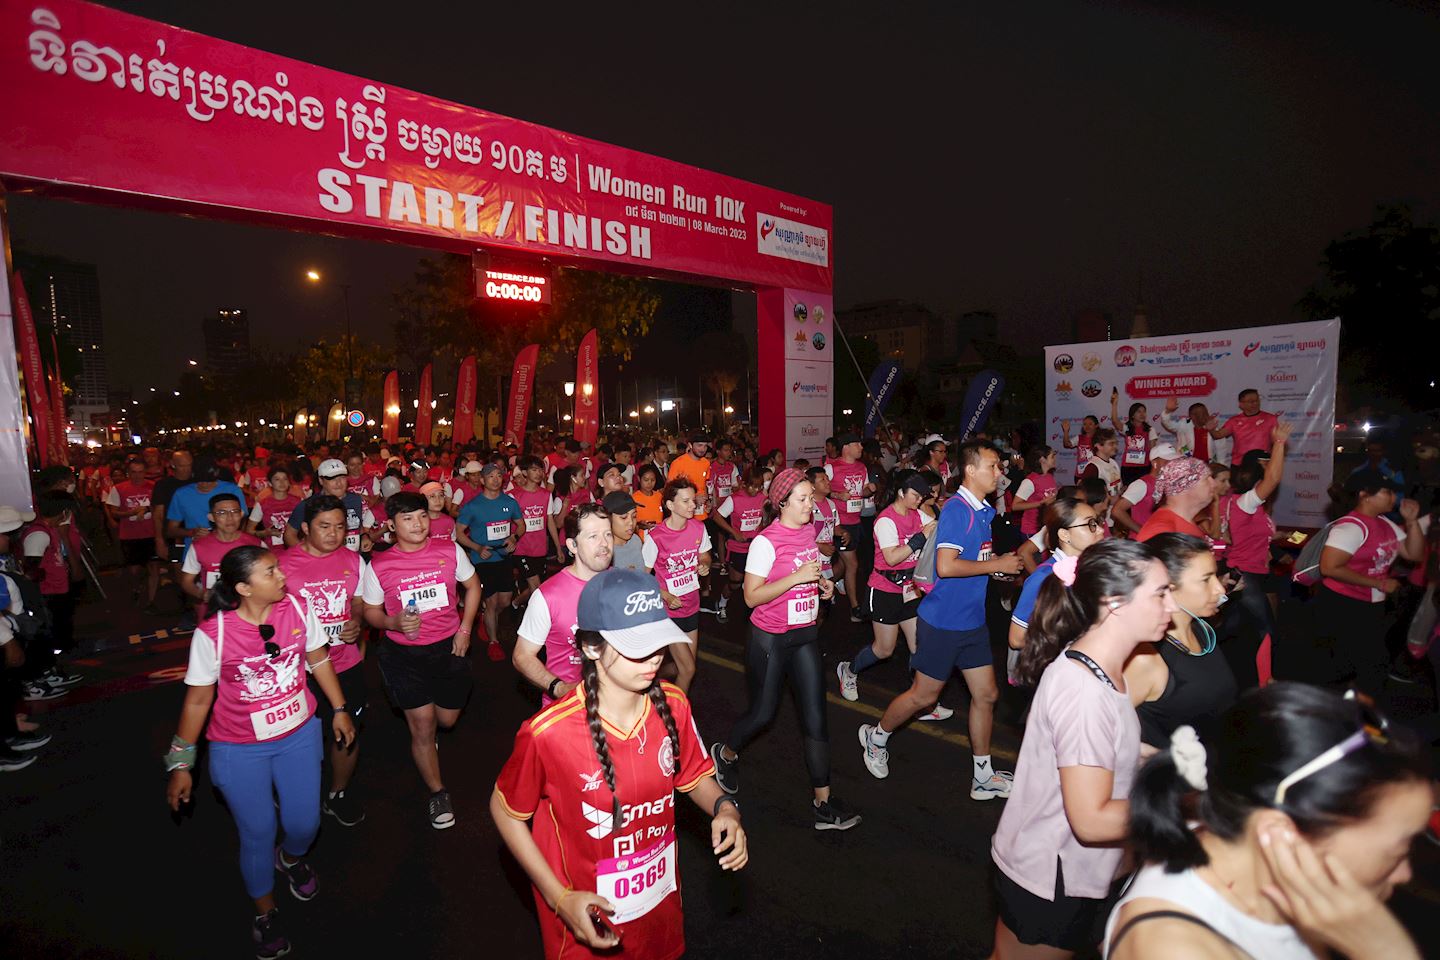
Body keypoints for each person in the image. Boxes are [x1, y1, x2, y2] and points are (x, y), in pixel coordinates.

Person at [491, 567, 746, 959]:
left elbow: (693, 777)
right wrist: (560, 899)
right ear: (591, 647)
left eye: (658, 641)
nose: (655, 658)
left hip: (658, 908)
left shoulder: (674, 705)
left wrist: (724, 809)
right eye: (635, 645)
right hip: (585, 921)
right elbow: (506, 811)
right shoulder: (549, 733)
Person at [1106, 684, 1431, 960]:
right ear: (1281, 834)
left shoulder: (1227, 840)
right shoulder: (1175, 949)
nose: (1405, 874)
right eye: (1398, 850)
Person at [165, 545, 356, 960]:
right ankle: (265, 913)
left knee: (304, 823)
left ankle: (290, 858)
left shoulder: (299, 609)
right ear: (243, 588)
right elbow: (197, 702)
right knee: (258, 832)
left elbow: (319, 660)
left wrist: (339, 709)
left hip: (299, 734)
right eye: (270, 572)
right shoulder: (211, 635)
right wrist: (181, 764)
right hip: (238, 748)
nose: (281, 576)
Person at [990, 540, 1175, 959]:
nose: (1172, 607)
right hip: (1050, 878)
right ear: (1114, 603)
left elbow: (1098, 748)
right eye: (1161, 593)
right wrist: (1187, 805)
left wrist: (1157, 760)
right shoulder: (1085, 690)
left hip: (1069, 871)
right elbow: (1091, 820)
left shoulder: (1104, 669)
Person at [858, 445, 1026, 797]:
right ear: (971, 470)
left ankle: (983, 776)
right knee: (923, 697)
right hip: (944, 623)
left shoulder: (981, 512)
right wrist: (996, 565)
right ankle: (876, 737)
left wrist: (994, 563)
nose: (999, 473)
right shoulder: (957, 511)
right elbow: (946, 566)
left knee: (986, 694)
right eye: (993, 466)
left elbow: (971, 558)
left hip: (971, 623)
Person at [709, 469, 859, 830]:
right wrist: (796, 578)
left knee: (816, 716)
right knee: (763, 712)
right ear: (782, 503)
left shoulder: (808, 531)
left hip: (805, 634)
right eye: (804, 499)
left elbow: (810, 571)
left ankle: (823, 804)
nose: (811, 505)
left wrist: (822, 584)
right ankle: (726, 753)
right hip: (771, 639)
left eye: (811, 497)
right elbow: (750, 596)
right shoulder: (765, 542)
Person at [361, 492, 480, 829]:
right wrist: (391, 622)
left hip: (449, 649)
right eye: (408, 518)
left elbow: (472, 587)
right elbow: (370, 610)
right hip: (403, 656)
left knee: (447, 719)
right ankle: (437, 791)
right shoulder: (380, 564)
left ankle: (430, 738)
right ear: (391, 525)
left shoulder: (449, 550)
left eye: (422, 516)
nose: (418, 524)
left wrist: (466, 629)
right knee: (423, 725)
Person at [277, 495, 367, 827]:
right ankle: (296, 795)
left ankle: (337, 793)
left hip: (346, 663)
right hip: (297, 672)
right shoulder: (282, 565)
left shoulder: (355, 560)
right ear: (304, 528)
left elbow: (358, 600)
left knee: (348, 732)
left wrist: (356, 621)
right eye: (324, 526)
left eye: (340, 526)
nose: (334, 534)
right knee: (299, 741)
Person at [837, 473, 943, 715]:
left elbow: (939, 530)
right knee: (885, 649)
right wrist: (920, 537)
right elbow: (892, 557)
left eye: (922, 496)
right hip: (884, 590)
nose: (919, 500)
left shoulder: (919, 515)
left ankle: (923, 700)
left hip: (910, 590)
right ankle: (849, 670)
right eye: (915, 496)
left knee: (919, 647)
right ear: (901, 492)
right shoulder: (886, 520)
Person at [1314, 471, 1426, 694]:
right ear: (1365, 495)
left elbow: (1414, 554)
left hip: (1370, 603)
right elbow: (1329, 567)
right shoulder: (1352, 527)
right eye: (1387, 492)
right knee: (1346, 665)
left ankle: (1356, 710)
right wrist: (1379, 584)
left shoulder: (1384, 523)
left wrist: (1412, 522)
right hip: (1343, 603)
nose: (1394, 497)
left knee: (1368, 663)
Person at [1123, 533, 1238, 751]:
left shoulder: (1202, 630)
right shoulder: (1145, 659)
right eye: (1206, 580)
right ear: (1166, 587)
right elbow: (1101, 734)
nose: (1220, 590)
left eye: (1216, 577)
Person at [514, 504, 613, 705]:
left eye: (608, 534)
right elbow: (522, 656)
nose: (604, 544)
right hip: (567, 710)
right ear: (572, 546)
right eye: (593, 536)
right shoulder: (548, 596)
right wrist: (558, 687)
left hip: (616, 704)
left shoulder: (623, 584)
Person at [1007, 496, 1106, 668]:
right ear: (1064, 534)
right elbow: (1016, 638)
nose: (1100, 530)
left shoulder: (1091, 568)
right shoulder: (1044, 578)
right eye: (1090, 524)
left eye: (1097, 522)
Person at [1218, 423, 1293, 639]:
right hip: (1244, 572)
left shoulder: (1247, 506)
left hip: (1249, 571)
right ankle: (1268, 673)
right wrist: (1279, 443)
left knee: (1231, 625)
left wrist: (1277, 536)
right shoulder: (1245, 502)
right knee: (1266, 629)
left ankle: (1204, 657)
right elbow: (1273, 479)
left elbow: (1244, 534)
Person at [641, 477, 710, 693]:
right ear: (670, 505)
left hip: (691, 606)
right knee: (688, 669)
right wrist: (664, 594)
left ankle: (647, 680)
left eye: (693, 501)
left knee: (684, 666)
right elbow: (642, 578)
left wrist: (704, 565)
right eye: (687, 501)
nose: (693, 505)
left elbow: (705, 555)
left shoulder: (698, 528)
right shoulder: (656, 537)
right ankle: (677, 718)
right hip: (667, 612)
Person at [455, 462, 521, 662]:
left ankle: (486, 617)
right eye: (490, 476)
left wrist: (513, 538)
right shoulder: (473, 506)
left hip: (504, 557)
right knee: (492, 602)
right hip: (483, 559)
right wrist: (477, 548)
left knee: (505, 601)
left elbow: (521, 525)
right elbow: (459, 533)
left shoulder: (509, 502)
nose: (495, 479)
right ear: (482, 480)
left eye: (499, 476)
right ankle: (494, 641)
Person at [179, 493, 262, 622]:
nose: (230, 518)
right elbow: (186, 581)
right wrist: (202, 594)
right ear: (211, 517)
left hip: (249, 611)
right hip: (214, 612)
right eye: (222, 513)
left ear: (241, 514)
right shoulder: (199, 546)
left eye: (235, 512)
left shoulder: (256, 544)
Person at [709, 464, 768, 625]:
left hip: (757, 547)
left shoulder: (763, 497)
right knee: (735, 582)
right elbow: (717, 517)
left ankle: (755, 611)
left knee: (760, 581)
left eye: (759, 487)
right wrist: (733, 532)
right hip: (738, 548)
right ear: (744, 484)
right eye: (753, 487)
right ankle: (721, 603)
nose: (756, 490)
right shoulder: (734, 499)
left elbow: (767, 517)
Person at [826, 433, 872, 622]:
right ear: (846, 447)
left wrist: (870, 490)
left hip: (856, 521)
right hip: (839, 524)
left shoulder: (862, 467)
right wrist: (837, 496)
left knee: (843, 564)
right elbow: (816, 487)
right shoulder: (831, 467)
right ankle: (855, 608)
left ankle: (825, 584)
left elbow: (865, 489)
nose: (861, 447)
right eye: (857, 444)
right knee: (853, 564)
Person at [105, 458, 160, 614]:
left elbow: (159, 507)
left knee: (154, 567)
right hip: (130, 536)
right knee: (134, 571)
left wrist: (146, 509)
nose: (137, 476)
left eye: (141, 472)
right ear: (128, 473)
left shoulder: (153, 487)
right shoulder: (119, 488)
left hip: (151, 534)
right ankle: (137, 588)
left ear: (145, 472)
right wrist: (130, 513)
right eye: (134, 472)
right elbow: (114, 511)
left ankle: (151, 601)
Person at [283, 459, 371, 553]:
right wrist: (307, 555)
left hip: (352, 560)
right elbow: (289, 534)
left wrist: (364, 537)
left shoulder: (355, 500)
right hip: (324, 562)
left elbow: (358, 525)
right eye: (332, 478)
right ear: (321, 480)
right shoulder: (309, 504)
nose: (338, 483)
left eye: (342, 477)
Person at [1136, 457, 1217, 542]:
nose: (1214, 484)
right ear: (1184, 486)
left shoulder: (1182, 523)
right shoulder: (1161, 530)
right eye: (1206, 479)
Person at [1110, 442, 1177, 537]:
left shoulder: (1171, 483)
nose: (1172, 465)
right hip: (1144, 543)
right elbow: (1117, 510)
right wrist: (1143, 531)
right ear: (1155, 463)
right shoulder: (1141, 484)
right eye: (1167, 462)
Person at [509, 456, 552, 606]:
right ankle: (538, 620)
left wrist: (557, 549)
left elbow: (550, 521)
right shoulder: (514, 495)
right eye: (534, 469)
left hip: (539, 548)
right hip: (521, 548)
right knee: (536, 587)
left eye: (541, 470)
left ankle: (516, 603)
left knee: (538, 586)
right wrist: (511, 540)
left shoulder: (546, 495)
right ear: (525, 473)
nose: (539, 473)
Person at [1212, 388, 1280, 465]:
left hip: (1263, 464)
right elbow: (1218, 435)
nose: (1255, 404)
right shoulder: (1234, 421)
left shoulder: (1270, 419)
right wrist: (1211, 429)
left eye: (1257, 400)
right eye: (1251, 401)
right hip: (1239, 464)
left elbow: (1278, 442)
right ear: (1241, 404)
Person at [1161, 395, 1229, 465]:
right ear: (1191, 416)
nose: (1204, 415)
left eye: (1205, 412)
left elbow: (1221, 449)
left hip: (1209, 466)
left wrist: (1221, 466)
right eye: (1200, 413)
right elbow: (1168, 424)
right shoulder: (1184, 424)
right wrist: (1167, 411)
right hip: (1188, 465)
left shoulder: (1213, 427)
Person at [1009, 446, 1058, 541]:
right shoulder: (1030, 481)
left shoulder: (1049, 476)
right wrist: (1040, 504)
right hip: (1032, 529)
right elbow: (1015, 506)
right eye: (1052, 456)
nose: (1055, 459)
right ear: (1042, 460)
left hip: (1045, 527)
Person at [245, 466, 301, 548]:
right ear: (270, 483)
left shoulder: (298, 501)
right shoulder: (262, 504)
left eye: (285, 479)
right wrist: (265, 533)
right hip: (272, 551)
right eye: (277, 479)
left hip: (295, 548)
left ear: (289, 482)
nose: (282, 482)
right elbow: (249, 531)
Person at [1078, 428, 1123, 509]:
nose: (1115, 446)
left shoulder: (1113, 462)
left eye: (1116, 443)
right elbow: (1087, 496)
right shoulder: (1093, 467)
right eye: (1111, 444)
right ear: (1098, 446)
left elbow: (1116, 486)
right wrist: (1110, 500)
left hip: (1115, 512)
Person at [605, 491, 645, 574]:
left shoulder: (635, 540)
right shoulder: (605, 552)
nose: (631, 522)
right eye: (624, 517)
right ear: (608, 519)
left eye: (634, 516)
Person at [1060, 415, 1100, 484]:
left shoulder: (1100, 439)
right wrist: (1066, 431)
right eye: (1085, 424)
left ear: (1096, 425)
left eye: (1090, 424)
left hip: (1095, 473)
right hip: (1080, 474)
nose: (1087, 426)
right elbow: (1067, 444)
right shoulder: (1079, 438)